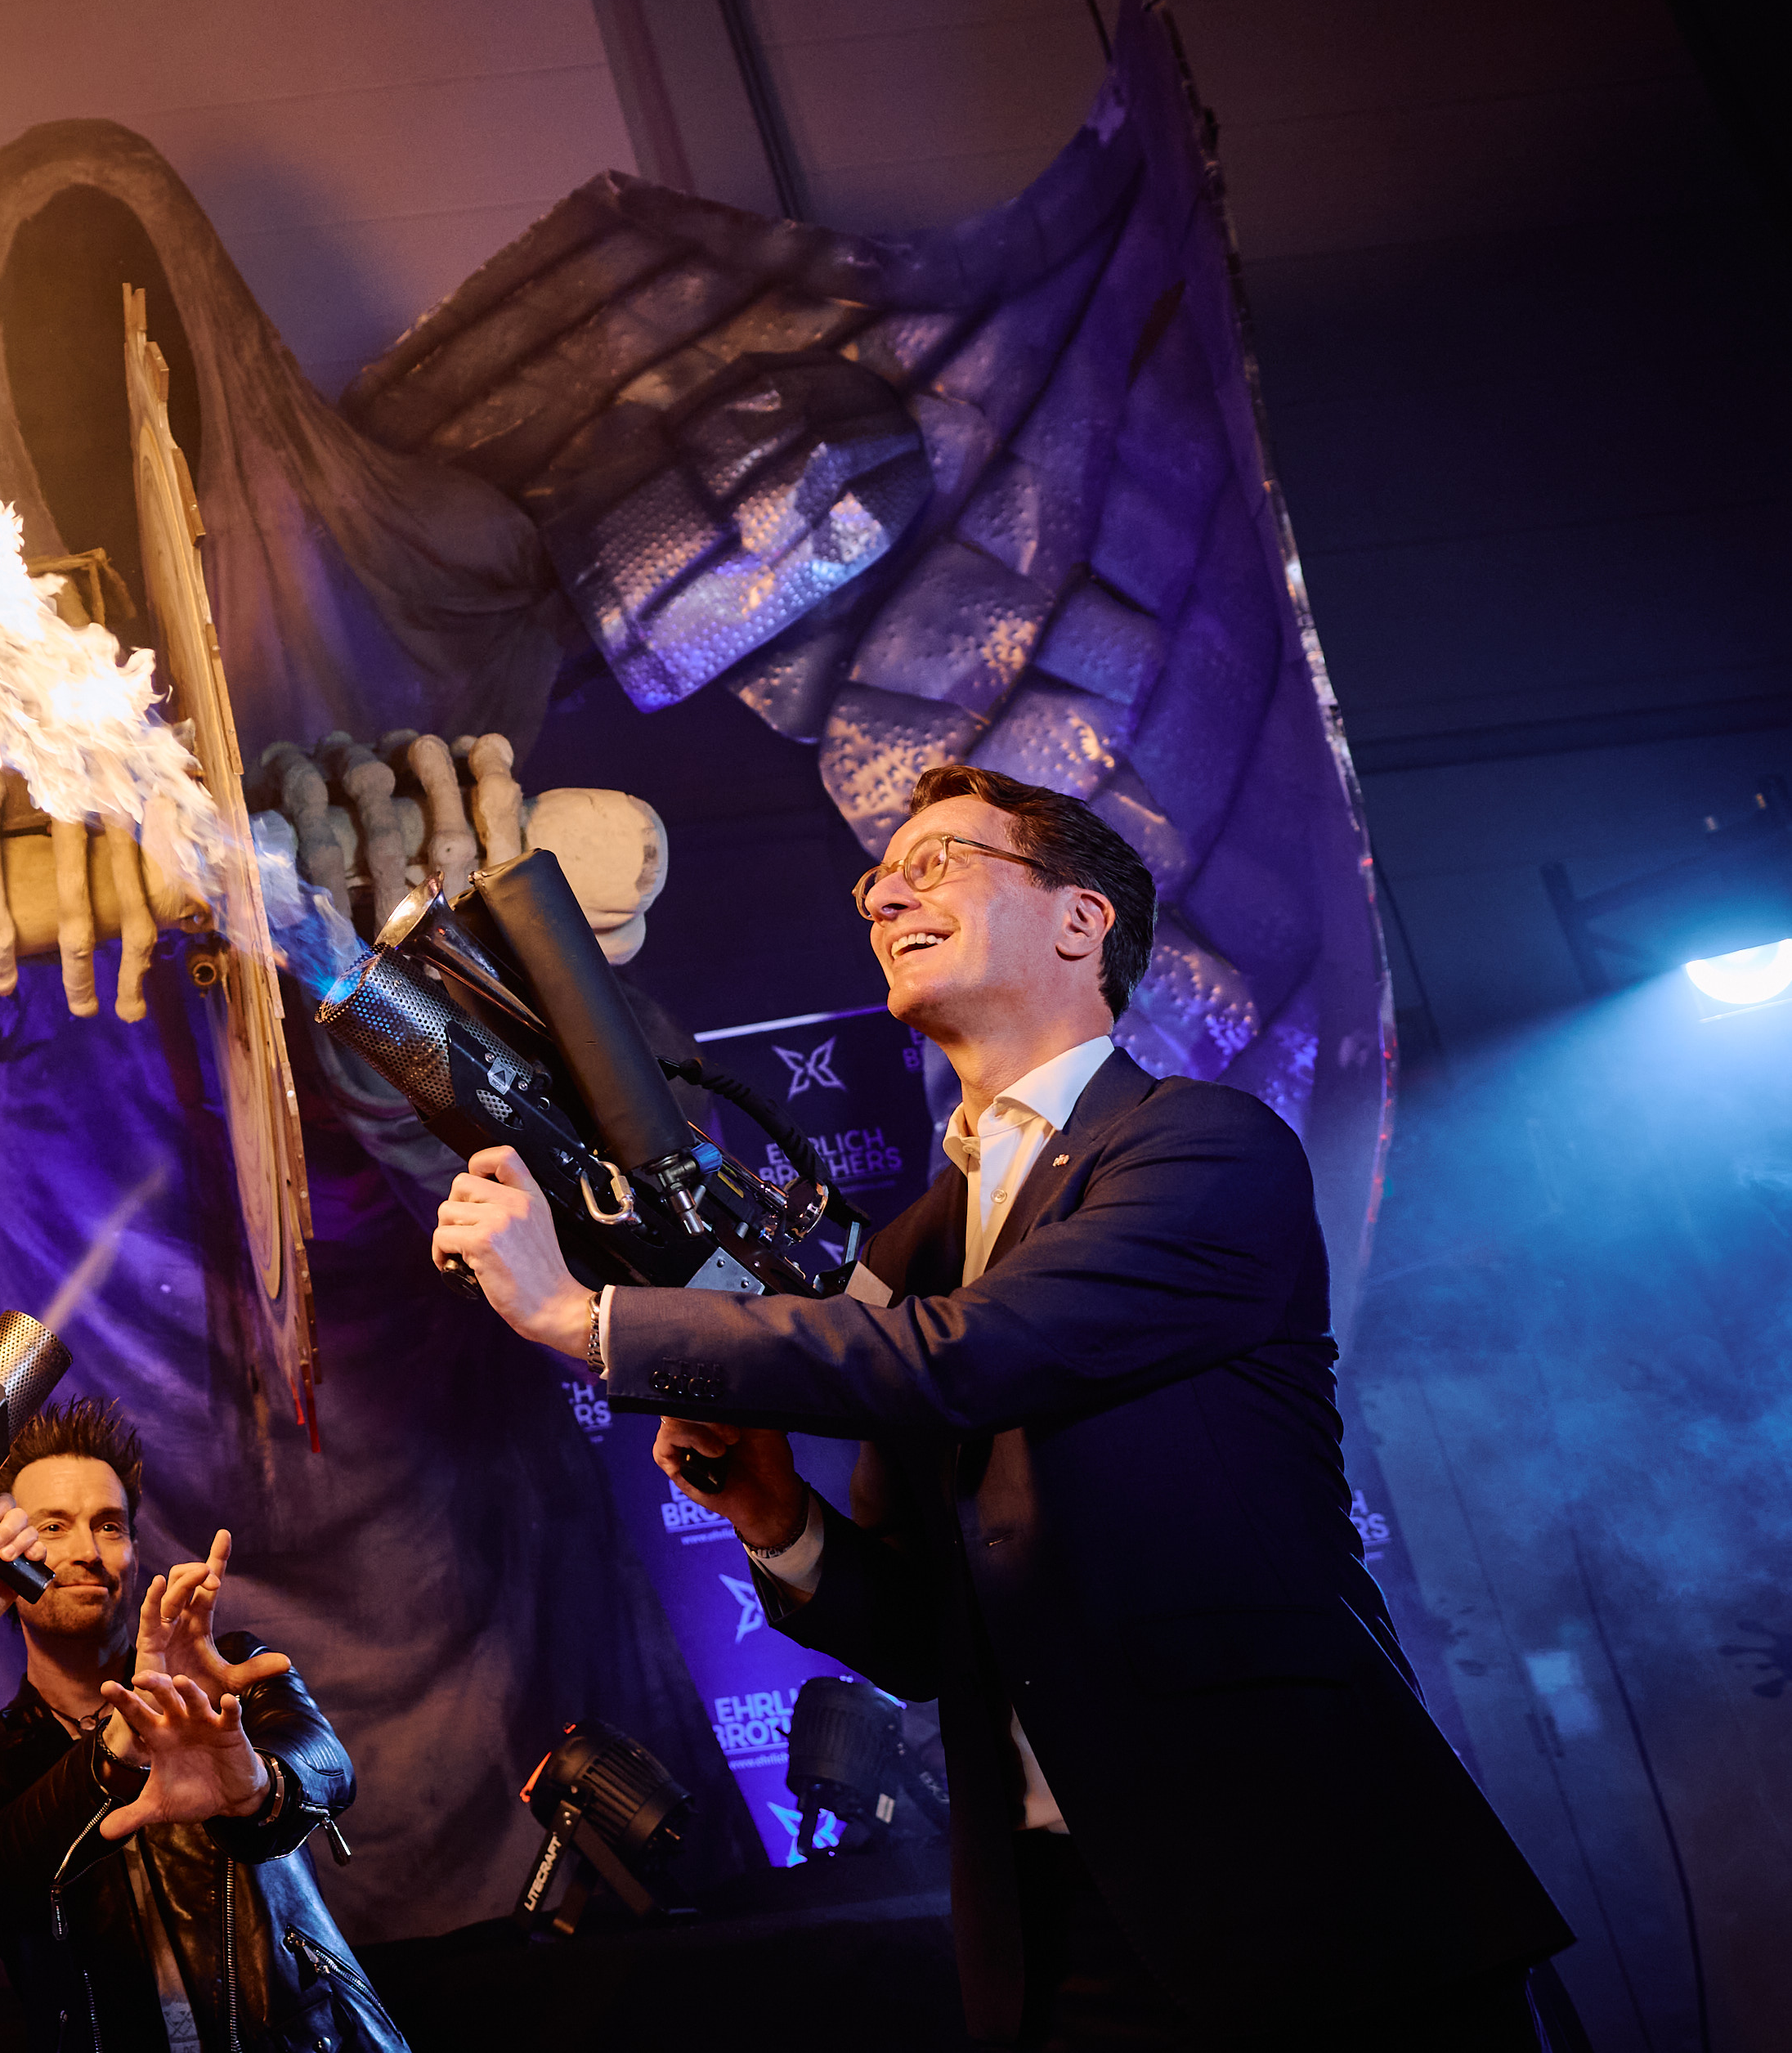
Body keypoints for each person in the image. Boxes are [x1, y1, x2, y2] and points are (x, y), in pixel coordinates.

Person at [429, 761, 1569, 2049]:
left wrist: (585, 1320)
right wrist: (777, 1516)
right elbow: (927, 1638)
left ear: (1081, 920)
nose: (884, 898)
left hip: (1313, 1891)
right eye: (879, 880)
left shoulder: (1199, 1146)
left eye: (938, 863)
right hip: (1059, 1936)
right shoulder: (917, 1244)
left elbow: (970, 1355)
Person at [0, 1396, 405, 2053]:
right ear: (4, 1554)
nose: (88, 1551)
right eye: (53, 1527)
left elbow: (328, 1768)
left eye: (110, 1526)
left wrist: (258, 1787)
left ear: (135, 1552)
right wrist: (120, 1741)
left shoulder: (224, 1674)